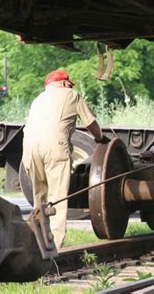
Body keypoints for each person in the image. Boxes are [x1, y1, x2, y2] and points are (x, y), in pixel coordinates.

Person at [22, 70, 108, 249]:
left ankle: (37, 242)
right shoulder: (72, 94)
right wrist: (100, 138)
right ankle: (55, 248)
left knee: (39, 198)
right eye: (69, 83)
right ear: (64, 83)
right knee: (57, 198)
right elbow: (90, 123)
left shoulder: (37, 99)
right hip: (54, 145)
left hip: (29, 147)